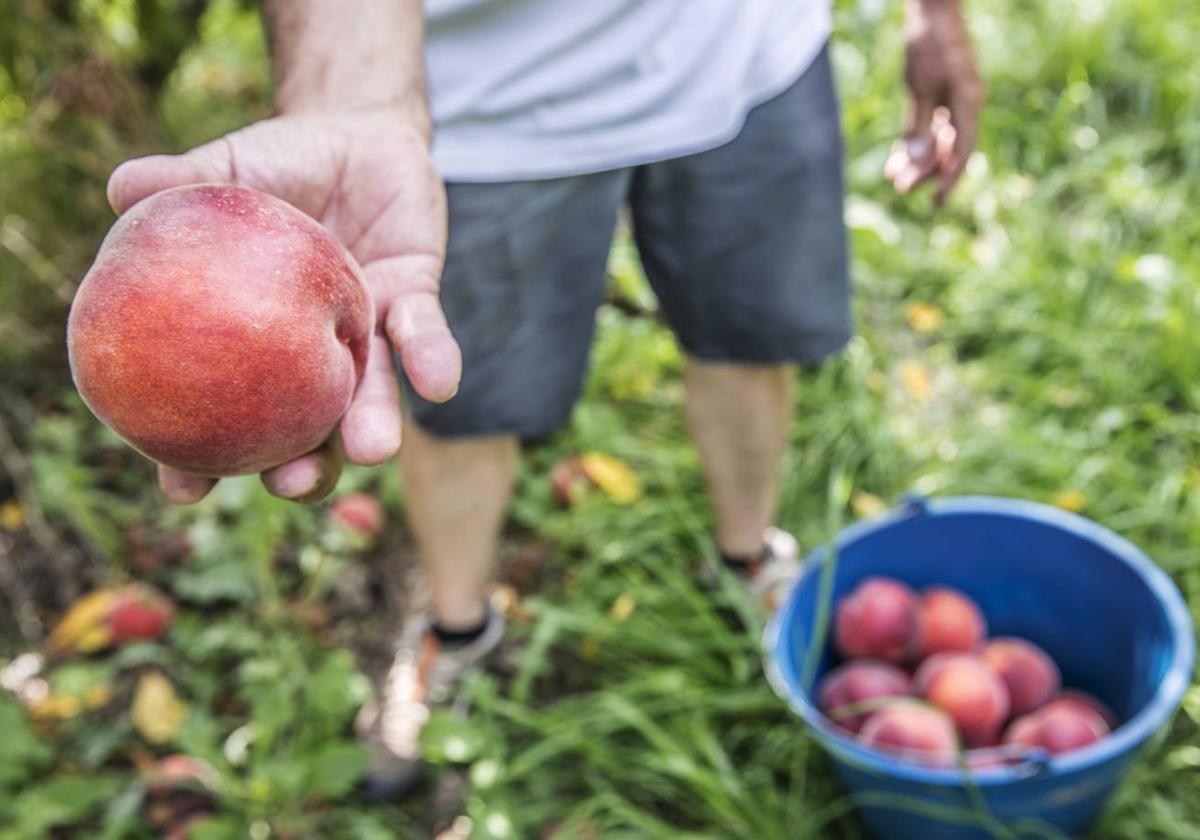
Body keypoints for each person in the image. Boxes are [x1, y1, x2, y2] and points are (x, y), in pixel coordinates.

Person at [107, 0, 981, 797]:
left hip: (751, 52)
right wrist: (355, 103)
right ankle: (458, 631)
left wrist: (936, 13)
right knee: (461, 399)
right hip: (487, 108)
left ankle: (748, 559)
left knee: (748, 344)